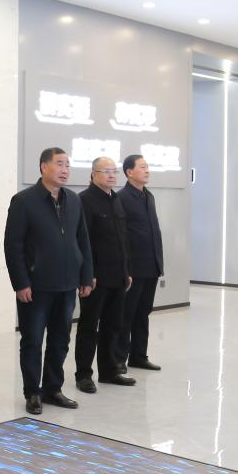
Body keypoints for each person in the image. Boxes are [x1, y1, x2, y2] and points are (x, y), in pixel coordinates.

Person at [5, 147, 93, 415]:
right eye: (60, 164)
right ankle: (32, 392)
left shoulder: (74, 200)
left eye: (68, 165)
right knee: (32, 341)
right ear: (44, 167)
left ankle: (53, 389)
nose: (65, 170)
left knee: (60, 339)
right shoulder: (24, 201)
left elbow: (83, 240)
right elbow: (13, 245)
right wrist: (21, 282)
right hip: (36, 286)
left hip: (67, 284)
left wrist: (86, 276)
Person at [75, 157, 136, 393]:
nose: (112, 175)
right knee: (89, 327)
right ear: (93, 174)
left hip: (118, 276)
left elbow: (124, 239)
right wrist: (87, 275)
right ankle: (84, 375)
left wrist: (127, 271)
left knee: (113, 325)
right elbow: (83, 242)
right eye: (106, 171)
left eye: (114, 171)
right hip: (95, 279)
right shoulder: (84, 200)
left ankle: (109, 371)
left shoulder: (116, 199)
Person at [118, 154, 164, 372]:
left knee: (143, 312)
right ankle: (119, 359)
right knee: (126, 315)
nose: (147, 171)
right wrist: (125, 268)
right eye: (143, 167)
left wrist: (159, 263)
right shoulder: (122, 198)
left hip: (151, 266)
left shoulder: (149, 196)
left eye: (148, 167)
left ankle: (138, 356)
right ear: (129, 172)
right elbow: (122, 237)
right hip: (133, 269)